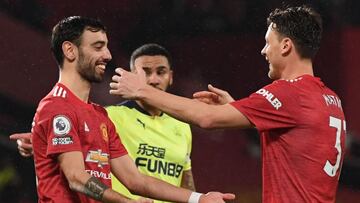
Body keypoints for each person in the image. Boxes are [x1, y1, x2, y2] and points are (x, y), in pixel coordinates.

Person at [109, 5, 346, 203]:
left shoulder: (289, 93)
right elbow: (296, 139)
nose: (263, 51)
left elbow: (206, 118)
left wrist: (141, 90)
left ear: (285, 46)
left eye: (267, 43)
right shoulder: (330, 99)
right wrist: (238, 108)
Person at [10, 16, 235, 203]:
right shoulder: (56, 106)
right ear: (70, 50)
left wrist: (199, 198)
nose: (107, 55)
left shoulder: (99, 115)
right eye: (98, 47)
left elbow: (136, 180)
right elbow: (76, 177)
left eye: (107, 47)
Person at [106, 44, 196, 202]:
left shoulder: (182, 126)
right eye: (145, 72)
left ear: (171, 77)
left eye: (161, 72)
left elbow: (186, 180)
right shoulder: (110, 117)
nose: (153, 80)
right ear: (132, 77)